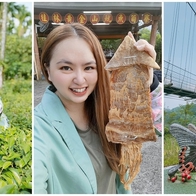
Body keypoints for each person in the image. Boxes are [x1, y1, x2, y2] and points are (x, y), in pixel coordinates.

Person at [34, 23, 162, 194]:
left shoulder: (113, 108)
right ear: (47, 70)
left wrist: (148, 84)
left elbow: (158, 129)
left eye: (89, 67)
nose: (80, 79)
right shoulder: (38, 129)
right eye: (66, 68)